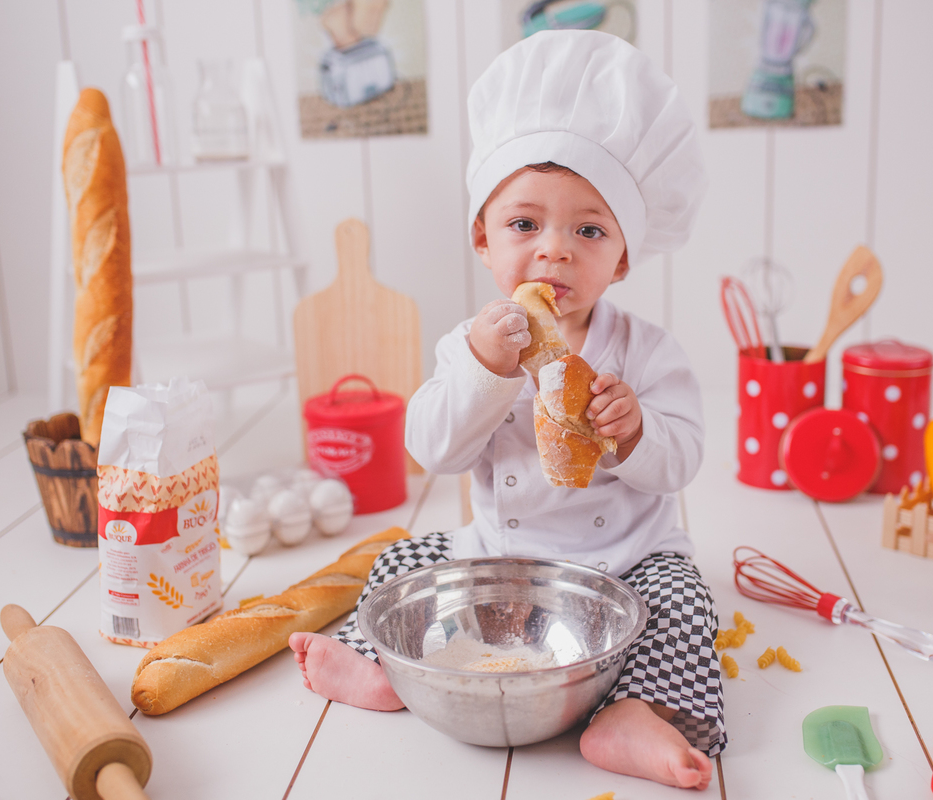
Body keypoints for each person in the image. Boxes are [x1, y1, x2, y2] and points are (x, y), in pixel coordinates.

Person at [289, 29, 721, 791]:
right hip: (501, 557)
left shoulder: (647, 351)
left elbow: (684, 457)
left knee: (686, 601)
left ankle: (634, 712)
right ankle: (382, 672)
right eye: (525, 225)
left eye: (588, 230)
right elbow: (434, 450)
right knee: (400, 559)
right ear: (483, 239)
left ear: (622, 257)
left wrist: (638, 433)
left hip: (626, 562)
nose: (554, 251)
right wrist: (487, 375)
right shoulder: (472, 344)